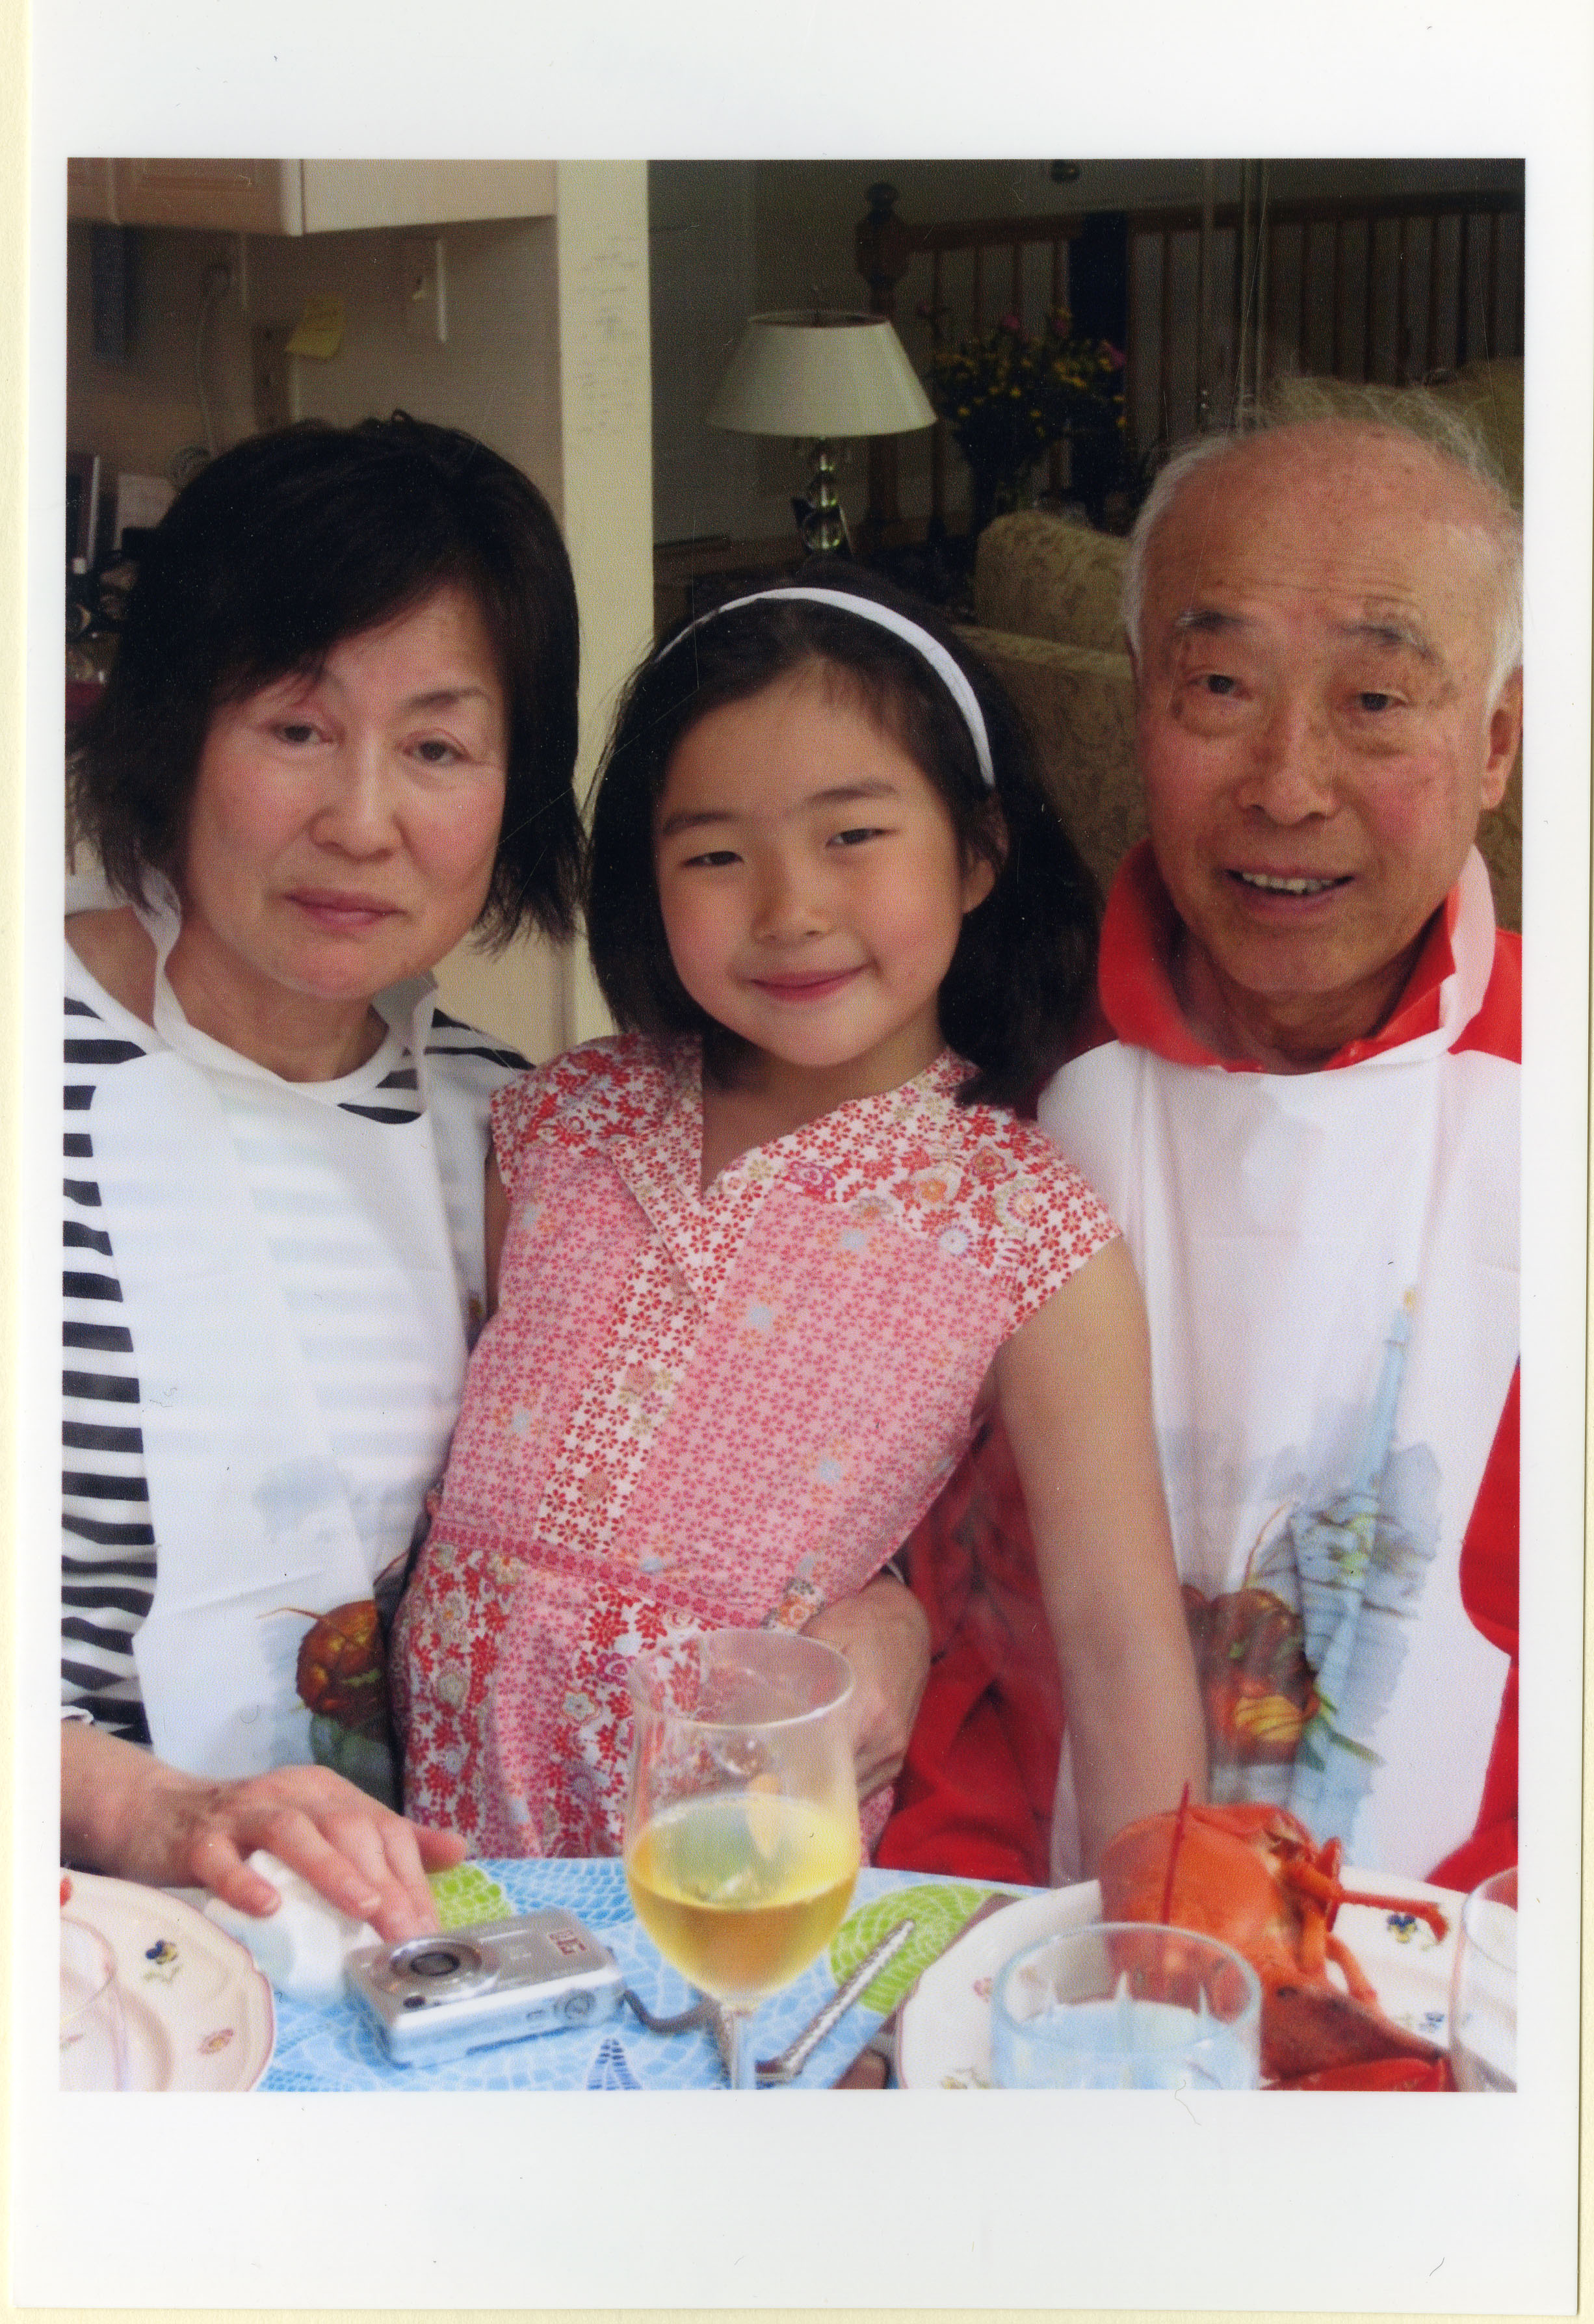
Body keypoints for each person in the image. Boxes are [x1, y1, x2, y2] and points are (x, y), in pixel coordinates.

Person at [393, 570, 1206, 1867]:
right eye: (714, 854)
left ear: (978, 851)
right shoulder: (557, 1126)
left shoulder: (1020, 1229)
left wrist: (1153, 1983)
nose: (787, 910)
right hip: (440, 1868)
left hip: (743, 1889)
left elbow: (1116, 1647)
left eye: (851, 837)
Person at [879, 406, 1522, 1892]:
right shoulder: (978, 1076)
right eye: (1219, 685)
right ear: (1134, 709)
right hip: (1009, 1942)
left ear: (1491, 742)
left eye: (1374, 700)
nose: (1286, 784)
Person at [60, 414, 586, 1940]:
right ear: (172, 729)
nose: (362, 820)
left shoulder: (514, 1135)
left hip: (355, 1921)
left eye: (436, 747)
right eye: (295, 727)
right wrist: (149, 1812)